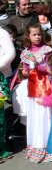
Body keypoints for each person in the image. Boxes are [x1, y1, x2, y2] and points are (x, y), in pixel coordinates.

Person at [19, 24, 52, 163]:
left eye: (39, 34)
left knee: (45, 115)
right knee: (35, 115)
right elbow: (25, 69)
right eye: (34, 34)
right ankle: (36, 144)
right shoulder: (26, 53)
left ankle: (47, 143)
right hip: (33, 86)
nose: (37, 37)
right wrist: (25, 71)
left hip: (45, 86)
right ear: (28, 36)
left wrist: (39, 65)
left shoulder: (47, 50)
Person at [0, 26, 15, 161]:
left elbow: (10, 53)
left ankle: (2, 148)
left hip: (1, 76)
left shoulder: (2, 33)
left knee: (0, 120)